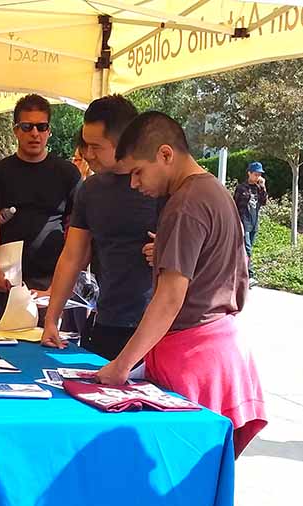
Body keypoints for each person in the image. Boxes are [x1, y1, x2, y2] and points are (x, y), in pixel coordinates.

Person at [96, 111, 267, 457]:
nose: (134, 184)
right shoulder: (213, 191)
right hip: (221, 352)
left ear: (165, 154)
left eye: (137, 172)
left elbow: (169, 298)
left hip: (193, 358)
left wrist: (121, 365)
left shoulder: (184, 205)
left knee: (178, 483)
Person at [42, 95, 159, 360]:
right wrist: (52, 318)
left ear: (126, 141)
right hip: (106, 321)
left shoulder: (162, 186)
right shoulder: (90, 190)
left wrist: (171, 247)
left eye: (96, 146)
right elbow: (73, 256)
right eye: (85, 143)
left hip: (155, 329)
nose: (87, 153)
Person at [0, 94, 82, 322]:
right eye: (27, 127)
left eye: (41, 126)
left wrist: (61, 283)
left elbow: (77, 229)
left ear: (49, 131)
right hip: (5, 281)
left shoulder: (68, 173)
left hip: (50, 280)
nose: (34, 133)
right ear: (16, 130)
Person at [234, 161, 268, 284]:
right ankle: (250, 275)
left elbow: (264, 202)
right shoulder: (241, 188)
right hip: (244, 221)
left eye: (259, 174)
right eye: (255, 174)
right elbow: (235, 205)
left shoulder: (259, 188)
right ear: (249, 173)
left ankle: (239, 273)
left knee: (247, 249)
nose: (257, 176)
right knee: (247, 248)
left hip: (254, 222)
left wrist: (263, 187)